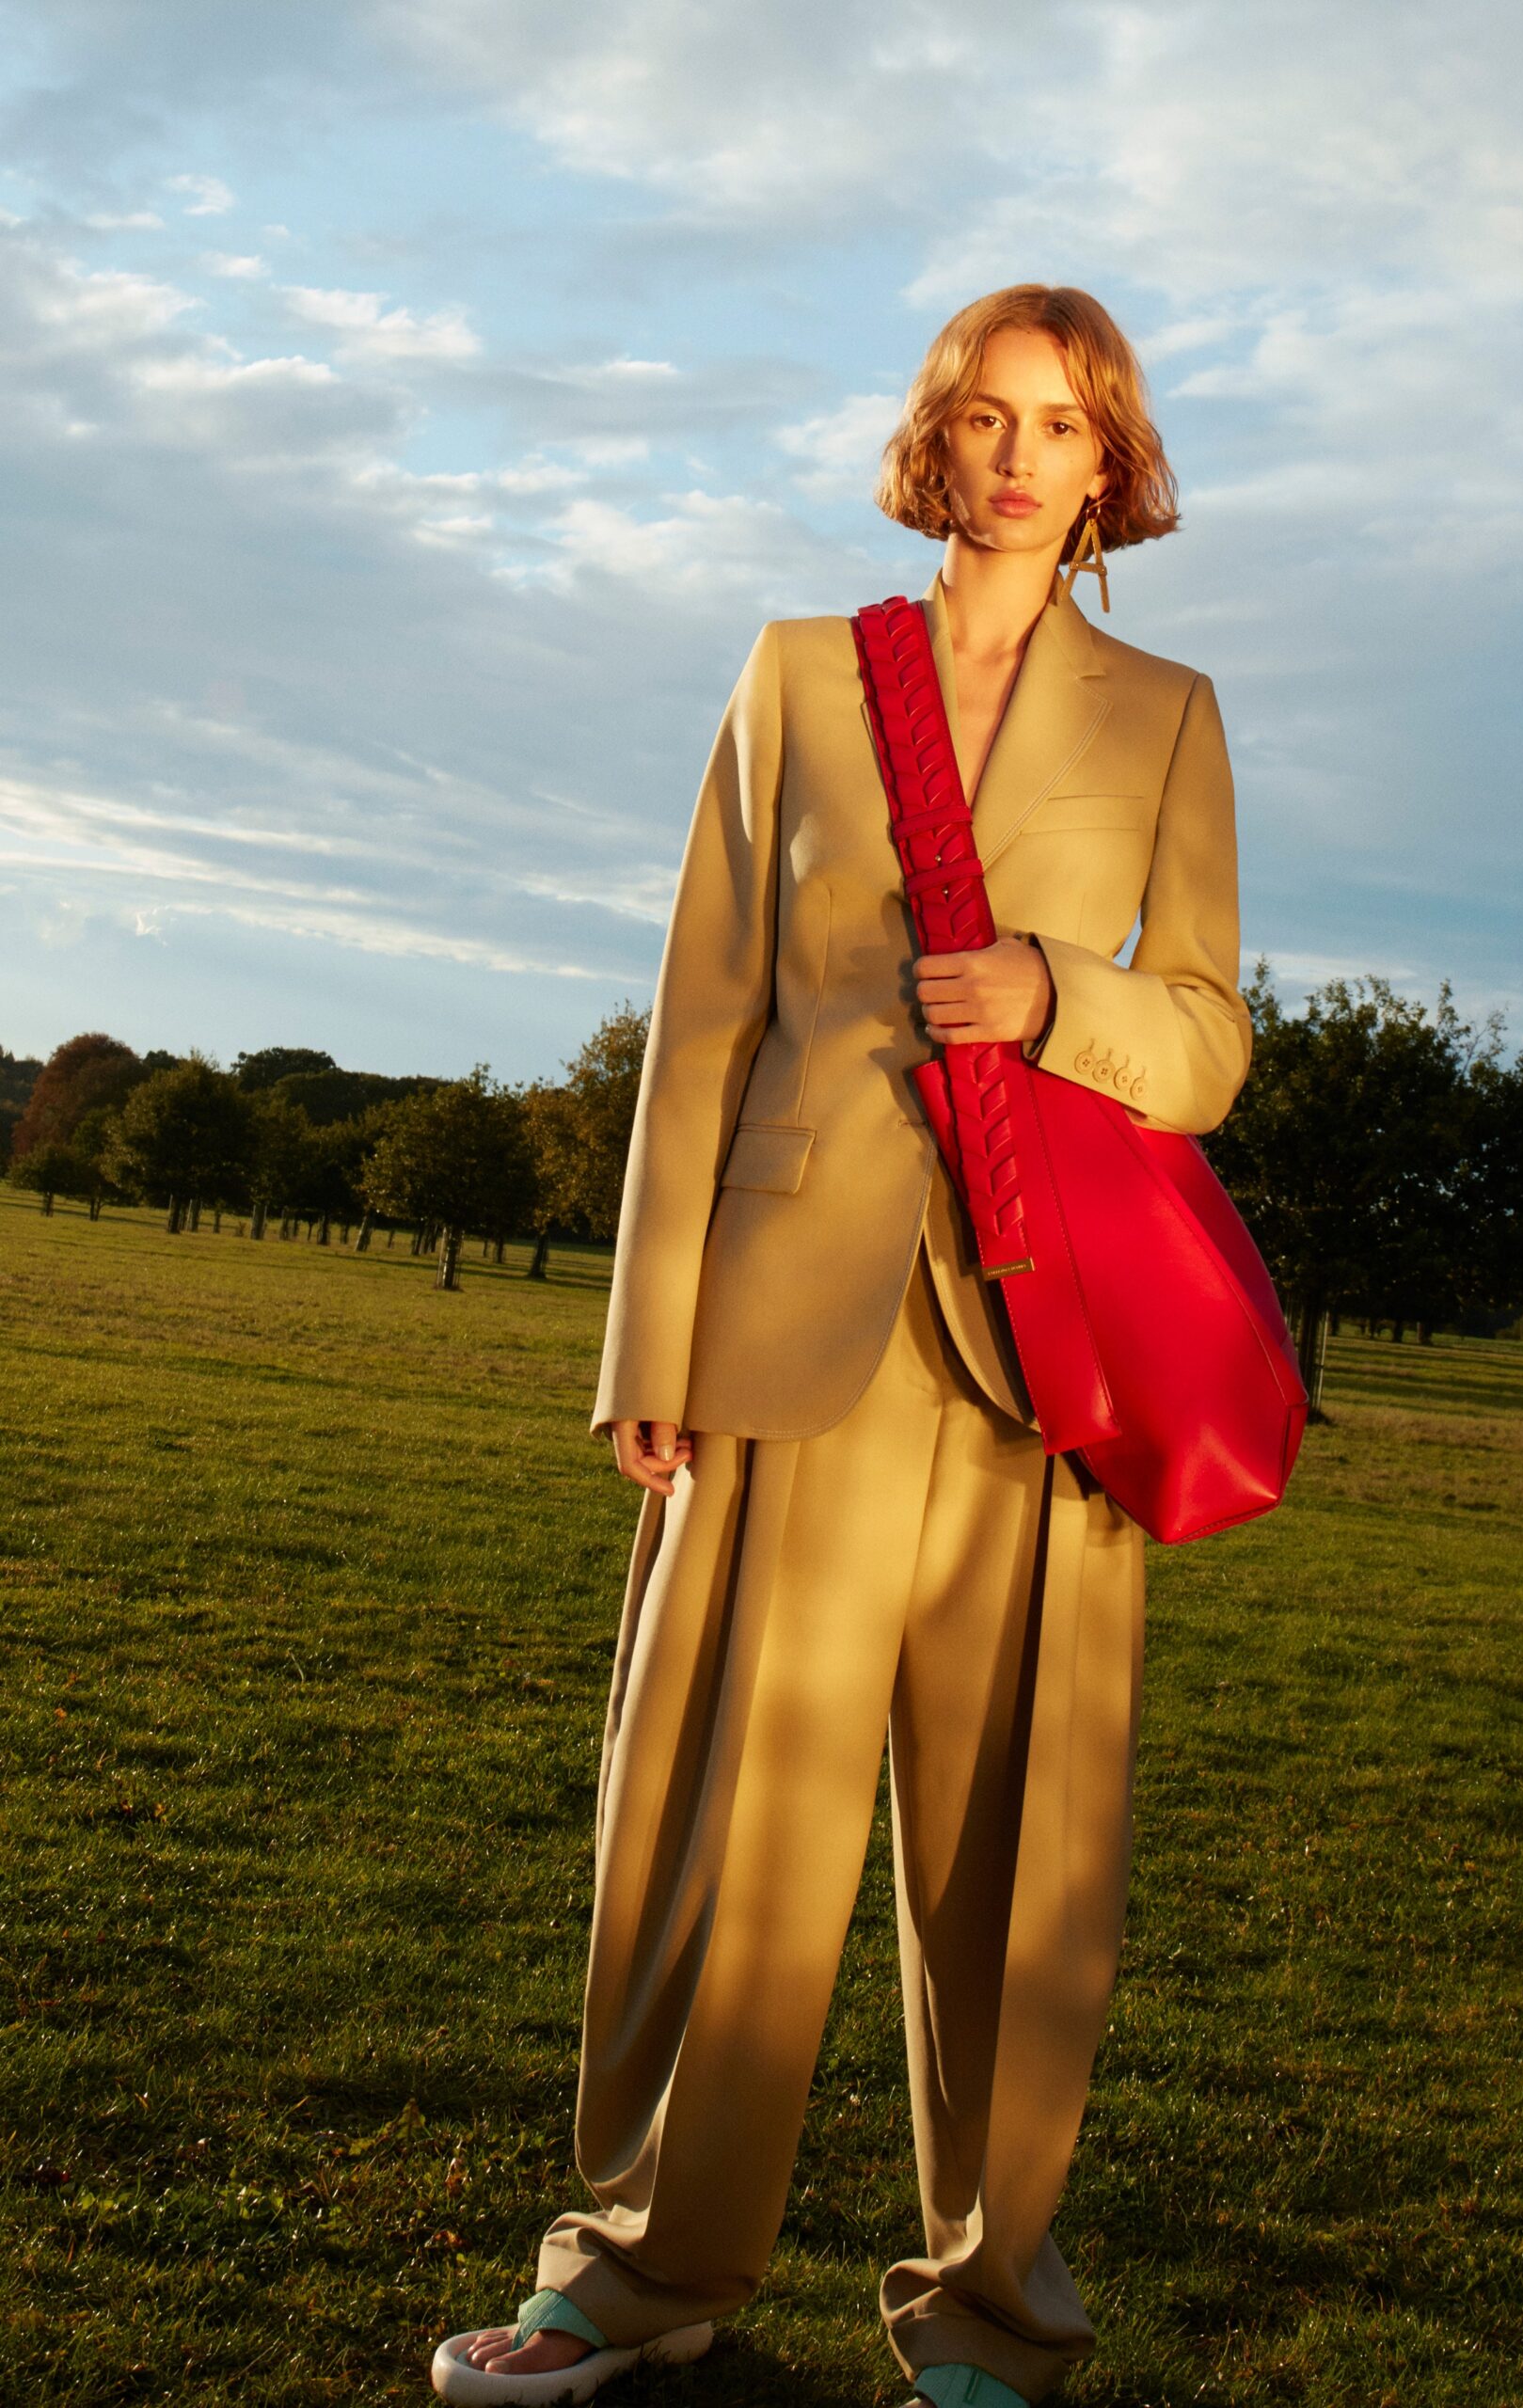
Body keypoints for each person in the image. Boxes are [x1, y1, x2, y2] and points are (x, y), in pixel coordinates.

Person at [431, 283, 1252, 2408]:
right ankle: (633, 2273)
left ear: (1107, 469)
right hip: (786, 1341)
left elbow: (1210, 1045)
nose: (1011, 452)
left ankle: (987, 2324)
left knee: (1017, 1868)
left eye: (1058, 424)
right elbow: (703, 1008)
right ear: (931, 439)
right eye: (979, 414)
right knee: (712, 1830)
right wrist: (647, 1330)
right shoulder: (802, 675)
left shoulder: (1166, 710)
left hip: (1033, 1362)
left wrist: (1058, 994)